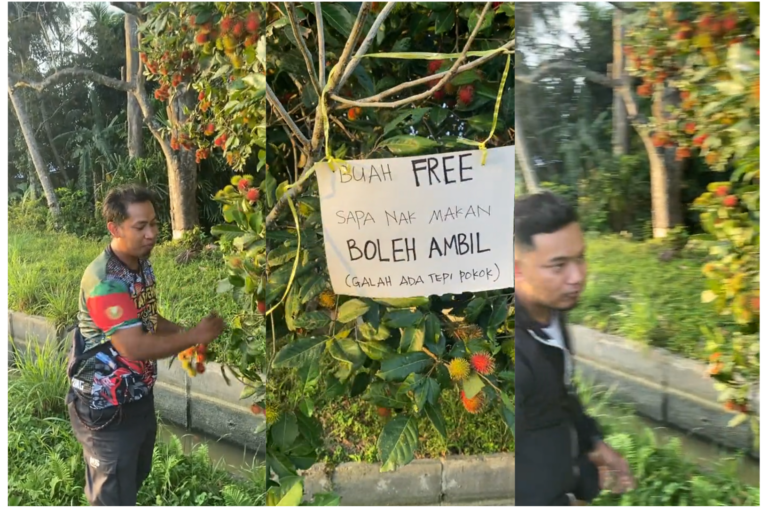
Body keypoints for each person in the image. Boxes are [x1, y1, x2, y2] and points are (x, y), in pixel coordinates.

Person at [65, 184, 225, 506]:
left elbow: (148, 319)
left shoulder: (140, 263)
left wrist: (186, 334)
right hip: (105, 408)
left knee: (133, 477)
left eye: (154, 223)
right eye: (141, 226)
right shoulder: (106, 281)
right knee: (111, 496)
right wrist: (193, 336)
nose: (152, 233)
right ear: (115, 228)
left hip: (136, 395)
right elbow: (133, 346)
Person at [514, 191, 635, 506]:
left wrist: (592, 441)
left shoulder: (551, 311)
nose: (578, 276)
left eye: (580, 257)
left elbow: (559, 394)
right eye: (558, 266)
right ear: (516, 269)